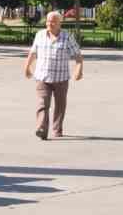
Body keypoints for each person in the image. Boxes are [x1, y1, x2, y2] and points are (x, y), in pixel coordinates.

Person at [23, 10, 83, 139]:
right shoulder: (40, 35)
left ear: (59, 23)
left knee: (60, 106)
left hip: (61, 78)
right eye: (48, 21)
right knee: (42, 104)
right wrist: (27, 67)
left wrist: (79, 69)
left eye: (53, 21)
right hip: (42, 77)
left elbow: (77, 55)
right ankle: (41, 129)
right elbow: (33, 52)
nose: (49, 23)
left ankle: (57, 129)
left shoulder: (67, 37)